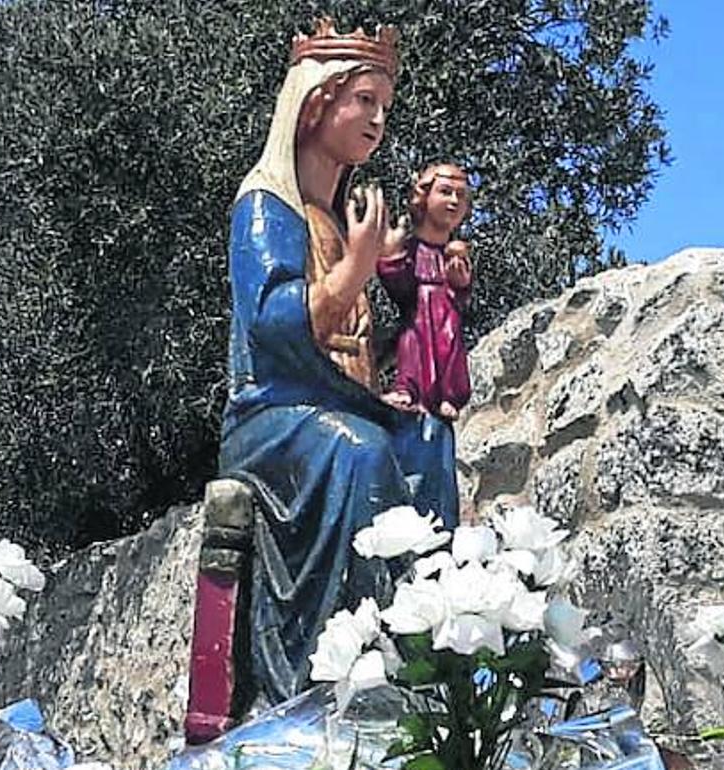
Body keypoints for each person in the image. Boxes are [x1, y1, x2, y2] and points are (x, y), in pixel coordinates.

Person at [218, 18, 459, 707]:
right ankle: (328, 673)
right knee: (357, 454)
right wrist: (354, 268)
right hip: (272, 412)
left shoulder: (335, 215)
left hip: (333, 406)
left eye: (384, 106)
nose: (378, 119)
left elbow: (351, 348)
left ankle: (422, 659)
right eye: (364, 101)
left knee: (427, 440)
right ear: (316, 103)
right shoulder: (267, 207)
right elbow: (272, 325)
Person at [377, 163, 474, 420]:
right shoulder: (410, 249)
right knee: (413, 340)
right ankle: (409, 388)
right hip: (417, 315)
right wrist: (391, 256)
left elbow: (463, 298)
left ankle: (447, 394)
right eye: (445, 192)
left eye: (460, 195)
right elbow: (399, 288)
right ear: (424, 197)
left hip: (445, 315)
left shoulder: (454, 253)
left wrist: (461, 284)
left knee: (450, 338)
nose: (454, 201)